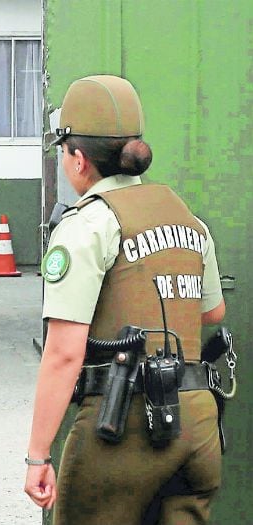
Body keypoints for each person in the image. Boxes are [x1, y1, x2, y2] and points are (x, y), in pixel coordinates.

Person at [24, 75, 226, 524]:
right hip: (197, 422)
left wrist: (38, 455)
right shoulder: (185, 216)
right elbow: (213, 311)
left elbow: (63, 353)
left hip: (123, 422)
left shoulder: (88, 225)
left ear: (78, 159)